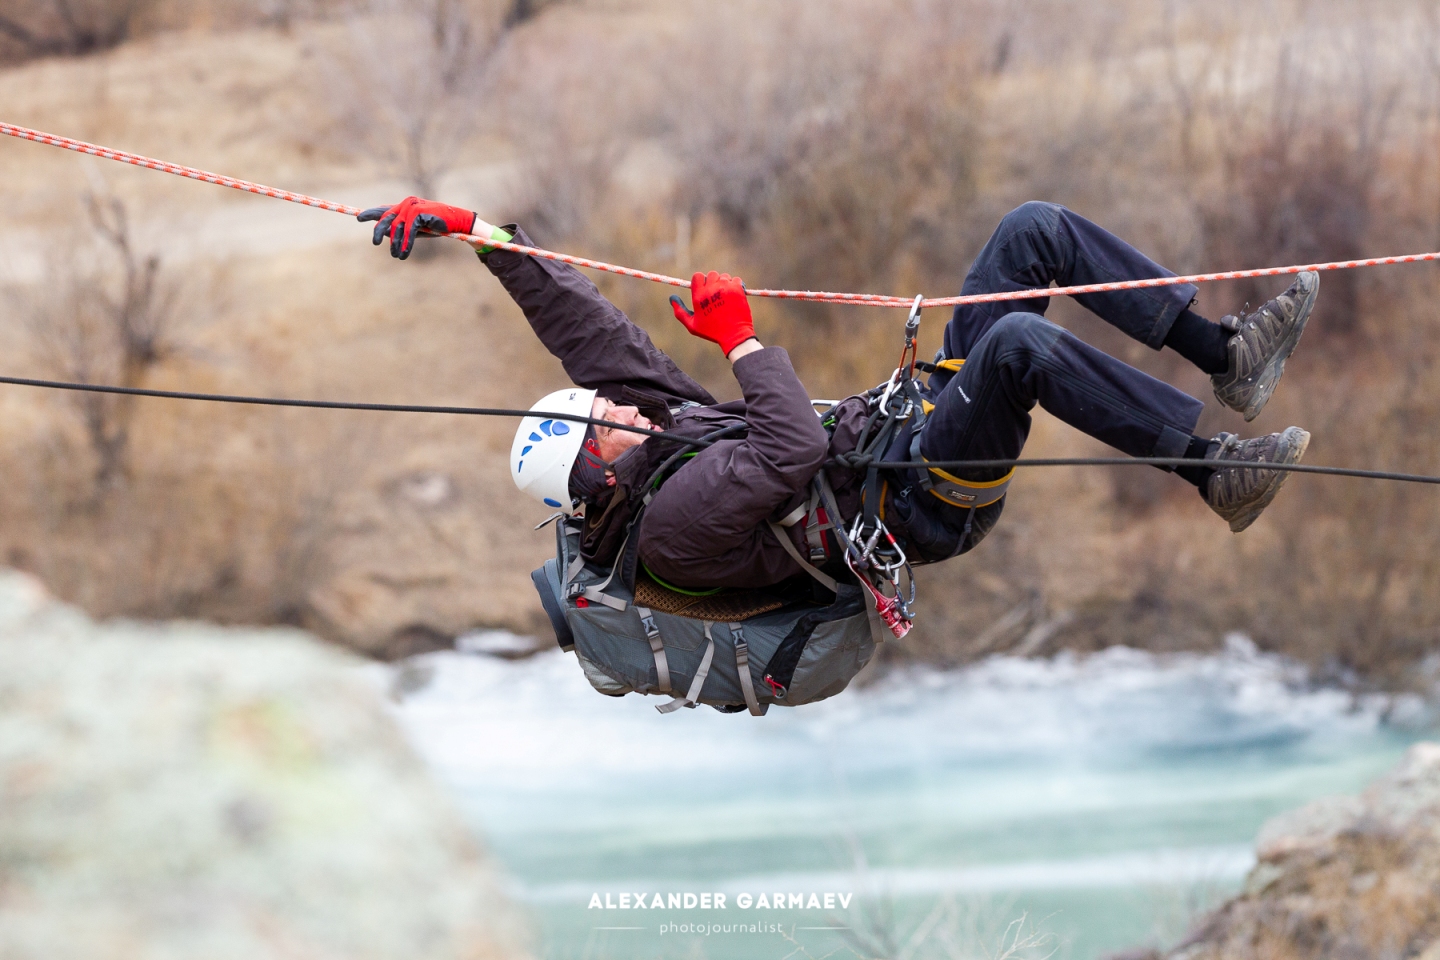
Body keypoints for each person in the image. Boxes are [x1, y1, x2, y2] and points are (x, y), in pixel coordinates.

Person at [358, 197, 1315, 598]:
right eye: (604, 417)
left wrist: (482, 233)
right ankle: (1214, 475)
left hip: (904, 424)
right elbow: (790, 455)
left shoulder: (662, 439)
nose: (619, 406)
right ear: (593, 462)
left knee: (1035, 232)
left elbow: (590, 332)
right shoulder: (673, 524)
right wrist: (739, 340)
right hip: (916, 500)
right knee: (1021, 344)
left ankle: (1224, 353)